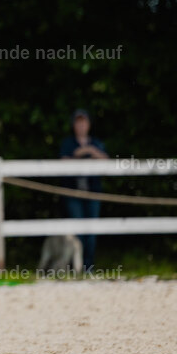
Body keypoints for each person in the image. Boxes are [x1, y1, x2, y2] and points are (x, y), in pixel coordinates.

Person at [58, 109, 108, 272]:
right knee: (77, 230)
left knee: (91, 231)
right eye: (78, 122)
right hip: (73, 193)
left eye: (83, 122)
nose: (81, 125)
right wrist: (79, 154)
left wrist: (90, 151)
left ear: (89, 124)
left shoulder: (96, 144)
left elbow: (107, 162)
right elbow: (63, 163)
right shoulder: (68, 143)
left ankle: (88, 267)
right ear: (73, 125)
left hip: (92, 192)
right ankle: (76, 267)